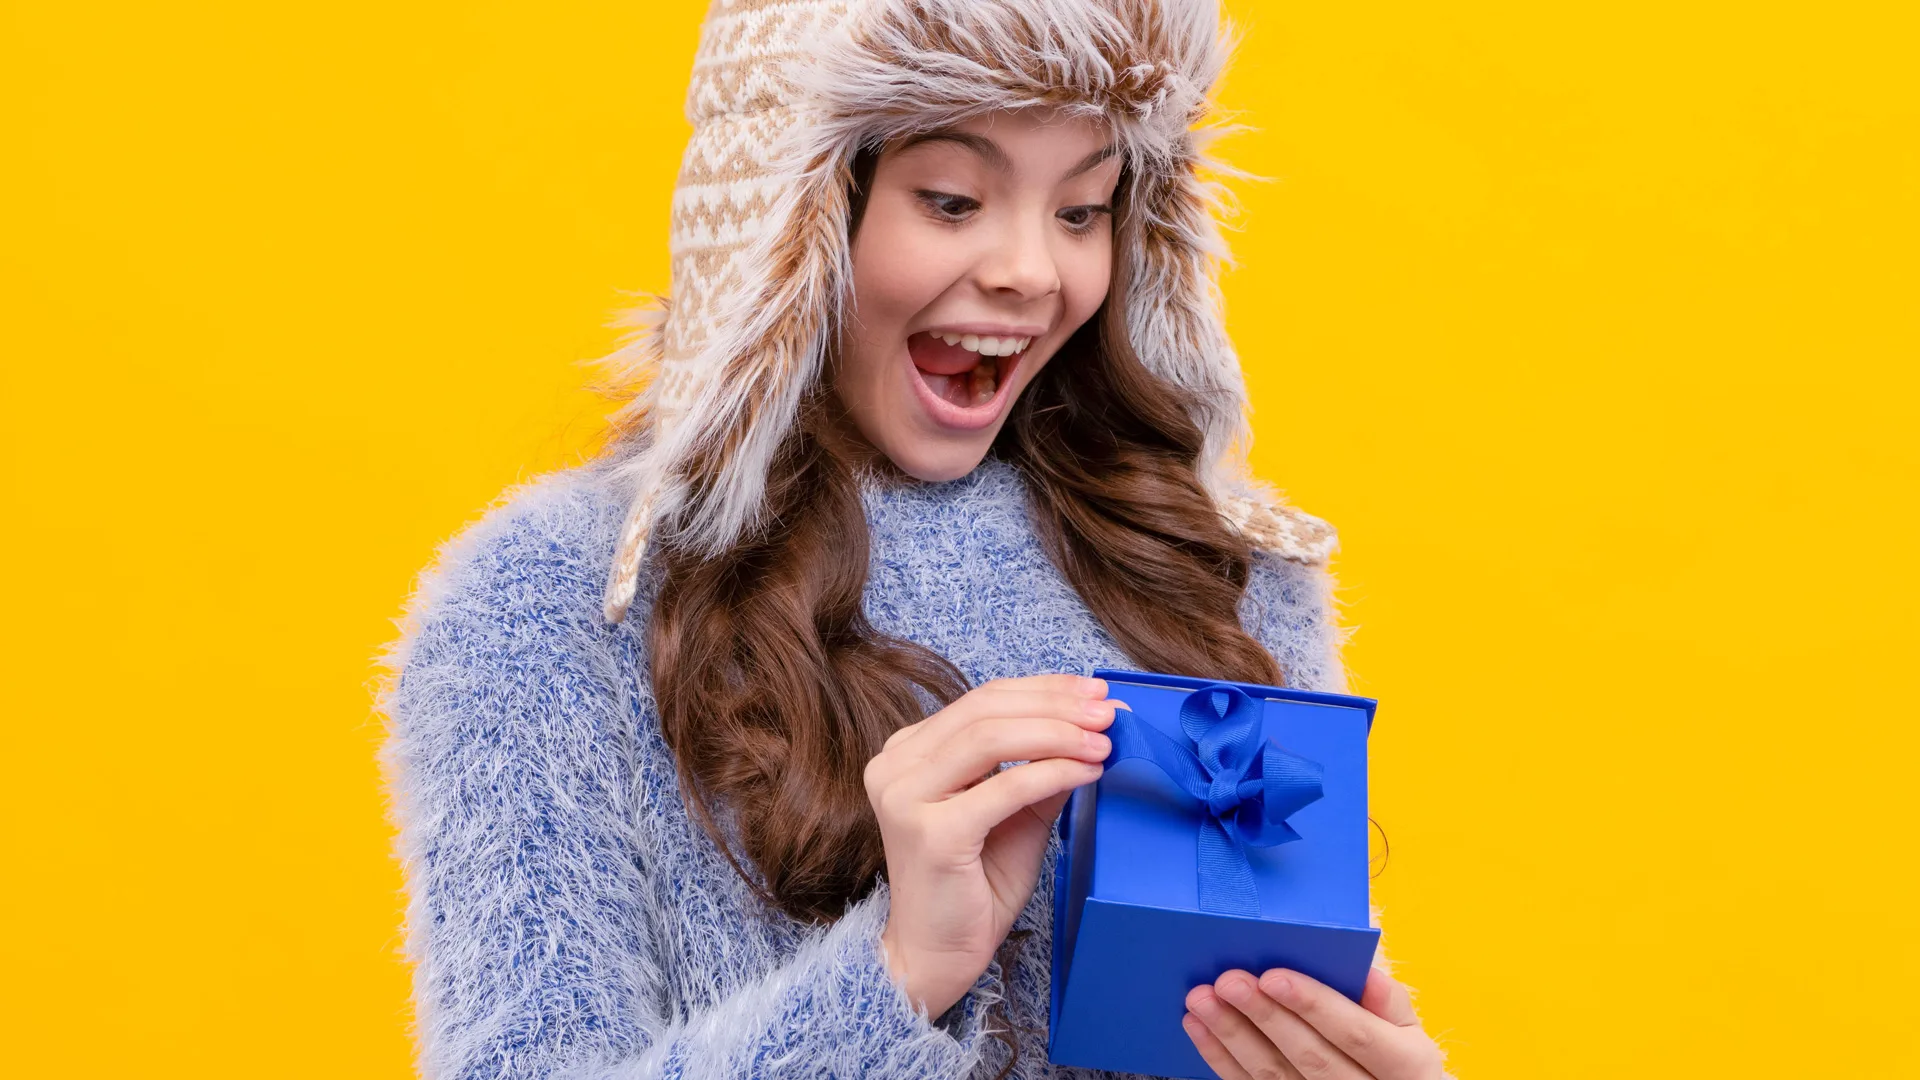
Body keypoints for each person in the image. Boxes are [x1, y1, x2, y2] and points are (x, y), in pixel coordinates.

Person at [376, 1, 1448, 1077]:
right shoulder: (550, 607)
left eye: (1082, 210)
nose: (1032, 270)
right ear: (794, 217)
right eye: (952, 199)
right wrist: (897, 974)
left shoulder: (1218, 575)